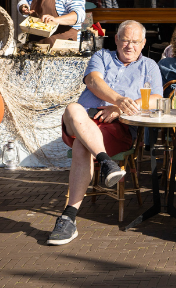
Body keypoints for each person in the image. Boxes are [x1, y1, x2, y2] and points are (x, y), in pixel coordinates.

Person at [47, 20, 163, 246]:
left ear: (144, 43)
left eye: (135, 42)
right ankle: (106, 162)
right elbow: (92, 80)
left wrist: (120, 109)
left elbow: (156, 99)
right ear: (117, 40)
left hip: (117, 127)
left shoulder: (150, 66)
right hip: (84, 118)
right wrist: (118, 99)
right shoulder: (102, 56)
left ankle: (69, 217)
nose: (130, 46)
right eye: (126, 40)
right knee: (73, 108)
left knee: (82, 145)